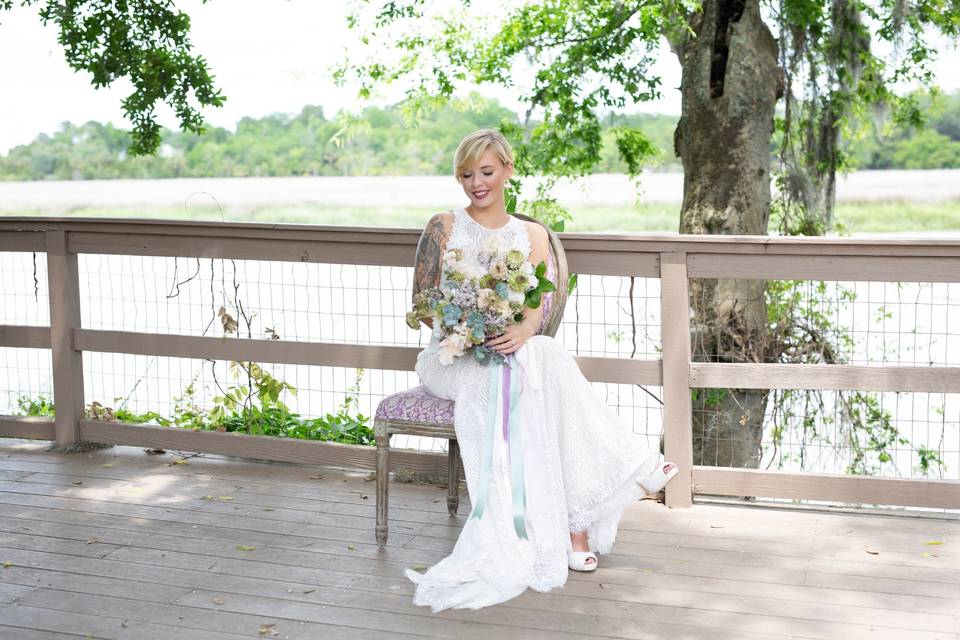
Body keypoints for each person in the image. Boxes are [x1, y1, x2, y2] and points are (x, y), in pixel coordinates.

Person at [405, 129, 678, 612]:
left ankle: (573, 521)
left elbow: (535, 310)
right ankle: (589, 512)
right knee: (528, 373)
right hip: (450, 355)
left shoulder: (531, 236)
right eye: (466, 175)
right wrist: (464, 329)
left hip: (513, 350)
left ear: (508, 169)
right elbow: (422, 302)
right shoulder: (443, 226)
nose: (476, 184)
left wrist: (520, 332)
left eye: (486, 172)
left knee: (541, 357)